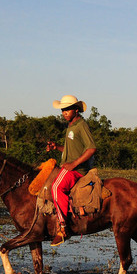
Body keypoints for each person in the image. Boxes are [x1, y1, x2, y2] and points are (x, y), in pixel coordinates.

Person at [46, 95, 97, 246]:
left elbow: (91, 148)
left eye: (67, 109)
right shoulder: (70, 126)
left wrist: (74, 164)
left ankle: (62, 228)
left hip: (77, 169)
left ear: (76, 110)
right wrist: (57, 147)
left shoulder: (81, 125)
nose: (64, 113)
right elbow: (71, 150)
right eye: (63, 110)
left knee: (56, 187)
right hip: (69, 165)